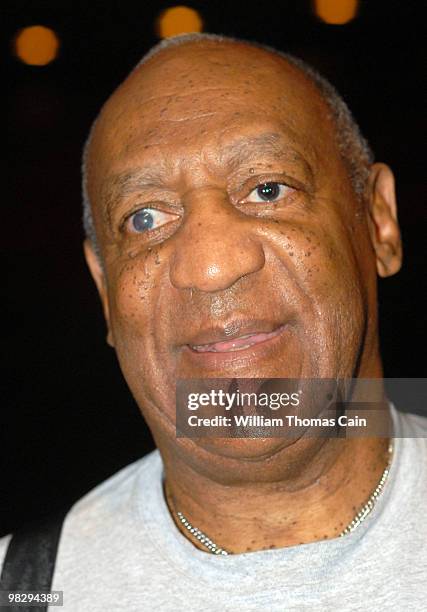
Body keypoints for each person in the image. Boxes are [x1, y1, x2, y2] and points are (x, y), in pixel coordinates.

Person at [1, 33, 426, 611]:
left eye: (267, 188)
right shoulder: (24, 587)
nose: (210, 266)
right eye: (145, 218)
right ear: (104, 290)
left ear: (379, 222)